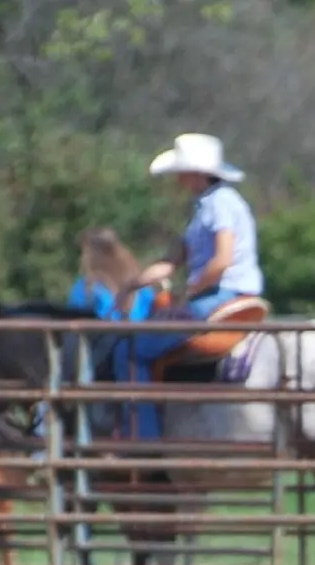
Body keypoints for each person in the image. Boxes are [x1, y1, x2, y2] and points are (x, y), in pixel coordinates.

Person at [117, 133, 264, 439]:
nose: (178, 179)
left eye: (181, 172)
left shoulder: (218, 205)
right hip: (225, 292)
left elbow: (222, 260)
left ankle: (143, 440)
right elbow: (170, 262)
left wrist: (190, 290)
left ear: (196, 172)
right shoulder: (207, 206)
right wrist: (133, 284)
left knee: (131, 349)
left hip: (219, 295)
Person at [68, 228, 155, 324]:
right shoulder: (141, 285)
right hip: (143, 336)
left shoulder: (88, 287)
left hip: (105, 337)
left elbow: (75, 318)